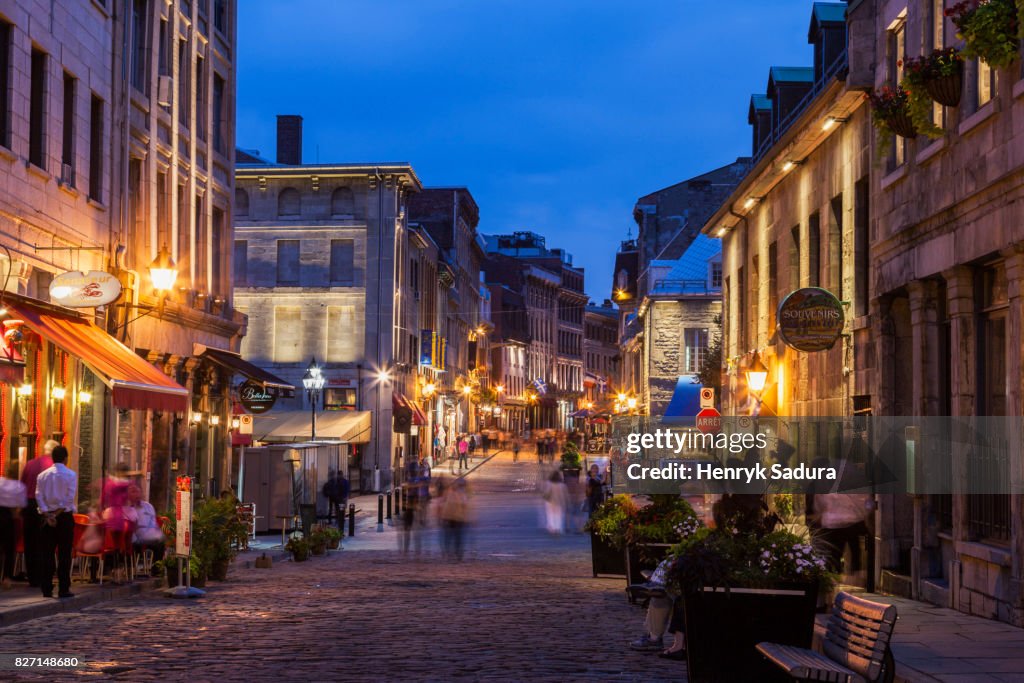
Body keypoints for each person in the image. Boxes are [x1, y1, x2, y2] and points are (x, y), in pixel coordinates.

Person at [36, 445, 77, 598]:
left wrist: (48, 515)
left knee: (47, 553)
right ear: (66, 458)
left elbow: (38, 496)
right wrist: (56, 514)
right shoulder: (71, 475)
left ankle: (46, 587)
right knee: (64, 554)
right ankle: (63, 588)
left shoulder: (42, 475)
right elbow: (69, 498)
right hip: (64, 517)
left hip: (47, 518)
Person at [19, 439, 57, 587]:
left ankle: (32, 577)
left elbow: (22, 485)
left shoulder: (30, 463)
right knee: (44, 542)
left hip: (28, 505)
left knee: (30, 542)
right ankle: (44, 576)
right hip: (43, 505)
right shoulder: (52, 466)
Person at [123, 484, 165, 568]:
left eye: (138, 491)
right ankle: (130, 569)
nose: (137, 494)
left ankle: (156, 569)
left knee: (160, 542)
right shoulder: (126, 509)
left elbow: (153, 524)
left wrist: (152, 533)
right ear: (128, 495)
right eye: (133, 491)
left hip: (147, 535)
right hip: (132, 537)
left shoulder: (148, 506)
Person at [0, 475, 26, 589]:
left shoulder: (0, 482)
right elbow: (21, 505)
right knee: (9, 550)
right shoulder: (19, 486)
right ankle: (6, 578)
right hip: (10, 518)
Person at [440, 477, 470, 561]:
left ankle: (451, 553)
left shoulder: (450, 492)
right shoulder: (460, 494)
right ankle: (456, 553)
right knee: (456, 537)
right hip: (456, 518)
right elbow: (464, 505)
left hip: (451, 518)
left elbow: (444, 504)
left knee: (451, 537)